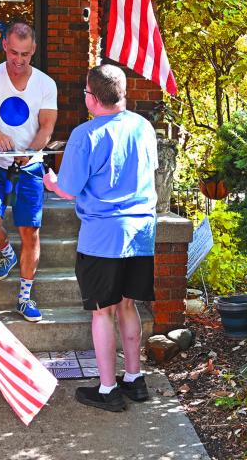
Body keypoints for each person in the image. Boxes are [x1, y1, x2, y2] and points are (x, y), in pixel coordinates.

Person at [43, 64, 158, 412]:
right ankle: (134, 379)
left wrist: (51, 182)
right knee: (128, 305)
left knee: (101, 312)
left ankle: (108, 389)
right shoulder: (144, 126)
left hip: (102, 236)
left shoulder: (85, 134)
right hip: (141, 233)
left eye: (85, 93)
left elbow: (69, 189)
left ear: (92, 98)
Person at [0, 21, 57, 323]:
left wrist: (30, 151)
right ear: (4, 45)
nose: (18, 61)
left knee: (30, 231)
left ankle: (25, 297)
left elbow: (47, 127)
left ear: (33, 51)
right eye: (13, 53)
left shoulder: (46, 84)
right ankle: (6, 253)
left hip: (29, 167)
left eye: (25, 55)